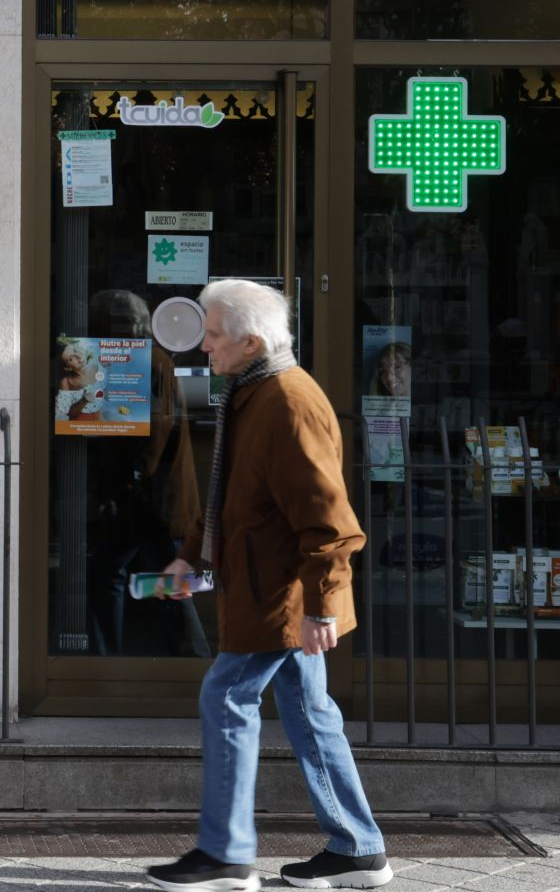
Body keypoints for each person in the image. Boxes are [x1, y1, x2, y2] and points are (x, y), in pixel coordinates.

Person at [144, 279, 390, 892]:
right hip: (269, 589)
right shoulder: (256, 391)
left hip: (278, 596)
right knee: (309, 712)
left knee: (225, 700)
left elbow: (330, 520)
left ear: (252, 340)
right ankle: (358, 848)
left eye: (215, 335)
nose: (205, 346)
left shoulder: (286, 400)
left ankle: (226, 856)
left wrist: (322, 606)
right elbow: (234, 495)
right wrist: (189, 558)